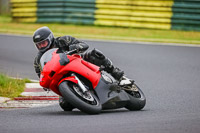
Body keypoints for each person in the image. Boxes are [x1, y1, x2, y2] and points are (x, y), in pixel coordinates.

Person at [33, 26, 133, 87]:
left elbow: (84, 44)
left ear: (50, 38)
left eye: (43, 43)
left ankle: (118, 75)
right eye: (39, 44)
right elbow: (41, 76)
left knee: (95, 54)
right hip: (61, 76)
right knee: (65, 105)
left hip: (77, 62)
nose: (41, 46)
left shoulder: (63, 40)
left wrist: (76, 47)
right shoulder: (38, 60)